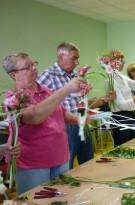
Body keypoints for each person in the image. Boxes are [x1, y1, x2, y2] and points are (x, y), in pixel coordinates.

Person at [2, 52, 88, 194]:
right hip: (34, 164)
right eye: (27, 67)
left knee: (61, 198)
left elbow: (61, 111)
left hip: (60, 156)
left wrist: (80, 119)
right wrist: (66, 89)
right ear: (13, 75)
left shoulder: (45, 90)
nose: (34, 68)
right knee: (36, 200)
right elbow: (35, 116)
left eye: (33, 64)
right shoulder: (13, 99)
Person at [38, 42, 93, 169]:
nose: (77, 62)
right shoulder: (48, 75)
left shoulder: (75, 76)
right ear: (62, 56)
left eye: (77, 58)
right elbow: (40, 104)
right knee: (66, 167)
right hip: (65, 127)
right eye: (74, 58)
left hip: (82, 123)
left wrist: (85, 94)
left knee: (89, 164)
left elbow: (77, 100)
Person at [108, 52, 135, 145]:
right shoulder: (110, 80)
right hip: (121, 118)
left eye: (122, 60)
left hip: (130, 116)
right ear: (112, 62)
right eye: (120, 60)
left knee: (134, 145)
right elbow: (122, 105)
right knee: (123, 148)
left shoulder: (121, 77)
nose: (123, 62)